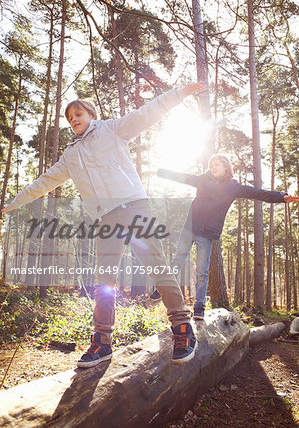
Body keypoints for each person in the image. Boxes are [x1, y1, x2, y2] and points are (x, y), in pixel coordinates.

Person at [2, 82, 207, 367]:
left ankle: (183, 329)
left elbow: (148, 113)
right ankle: (102, 342)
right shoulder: (71, 155)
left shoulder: (112, 129)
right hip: (105, 219)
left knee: (156, 267)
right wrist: (14, 203)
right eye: (70, 117)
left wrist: (179, 93)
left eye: (78, 114)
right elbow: (45, 181)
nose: (74, 119)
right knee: (104, 281)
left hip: (135, 206)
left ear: (91, 114)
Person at [150, 153, 299, 318]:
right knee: (178, 259)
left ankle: (199, 307)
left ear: (226, 167)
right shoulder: (202, 180)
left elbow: (258, 193)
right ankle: (163, 287)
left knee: (202, 271)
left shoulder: (233, 187)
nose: (213, 167)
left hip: (207, 233)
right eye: (211, 165)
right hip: (190, 228)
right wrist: (159, 172)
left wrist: (281, 197)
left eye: (217, 165)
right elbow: (182, 177)